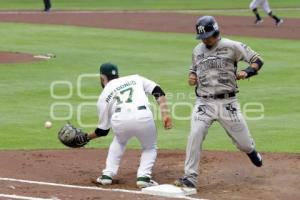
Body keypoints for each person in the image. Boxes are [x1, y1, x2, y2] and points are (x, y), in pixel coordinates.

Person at [174, 16, 264, 188]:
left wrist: (247, 72)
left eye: (208, 36)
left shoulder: (232, 46)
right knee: (195, 134)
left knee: (243, 143)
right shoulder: (197, 50)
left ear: (216, 32)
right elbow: (193, 69)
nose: (205, 40)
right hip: (204, 103)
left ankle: (251, 151)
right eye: (202, 37)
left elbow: (257, 60)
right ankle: (190, 177)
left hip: (227, 102)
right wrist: (192, 77)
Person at [72, 63, 172, 188]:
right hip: (143, 116)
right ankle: (143, 177)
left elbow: (102, 131)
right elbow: (157, 91)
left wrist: (85, 137)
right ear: (117, 75)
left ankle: (107, 175)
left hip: (120, 120)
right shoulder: (135, 78)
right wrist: (165, 113)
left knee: (119, 141)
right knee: (149, 147)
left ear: (102, 78)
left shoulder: (103, 97)